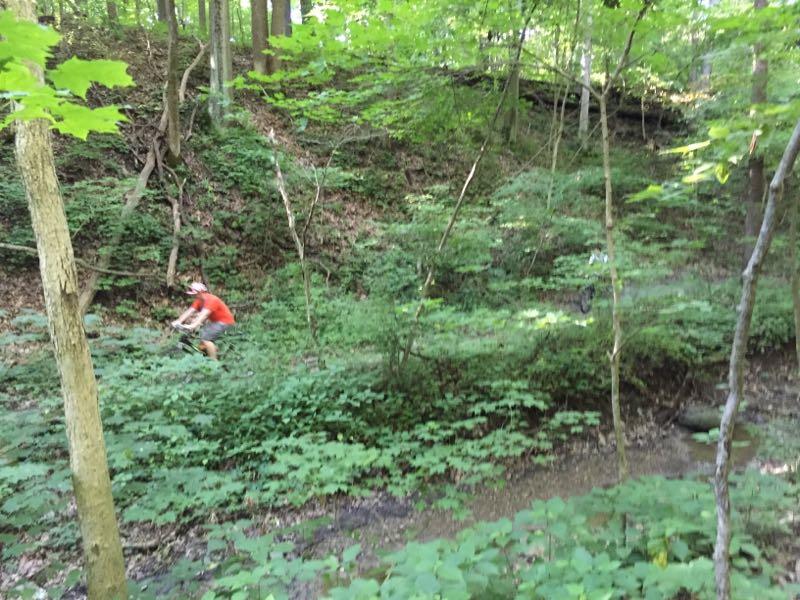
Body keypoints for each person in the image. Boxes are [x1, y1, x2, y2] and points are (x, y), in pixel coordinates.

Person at [171, 282, 235, 360]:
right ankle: (213, 351)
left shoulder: (211, 300)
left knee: (206, 339)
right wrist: (178, 321)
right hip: (215, 322)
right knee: (202, 340)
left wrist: (192, 325)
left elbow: (203, 315)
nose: (193, 296)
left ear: (200, 292)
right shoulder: (199, 300)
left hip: (225, 322)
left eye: (195, 294)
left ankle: (214, 362)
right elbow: (189, 311)